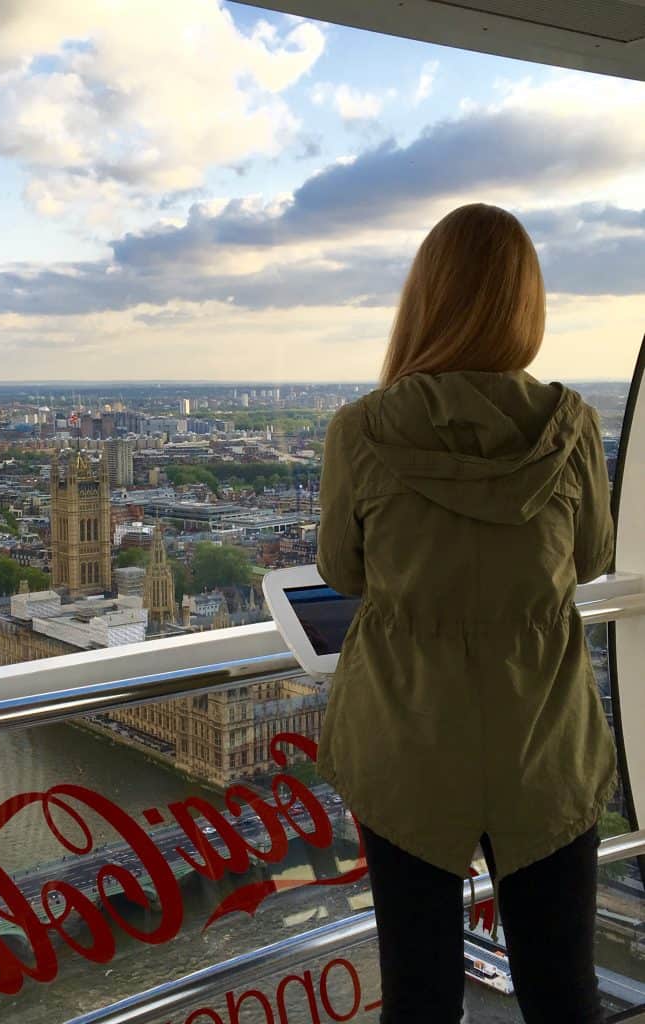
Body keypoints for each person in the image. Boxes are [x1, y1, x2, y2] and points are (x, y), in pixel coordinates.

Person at [314, 203, 616, 1023]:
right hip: (541, 738)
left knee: (418, 994)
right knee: (562, 989)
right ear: (526, 306)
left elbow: (340, 571)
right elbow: (590, 558)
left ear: (424, 302)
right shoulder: (572, 424)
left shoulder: (362, 429)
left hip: (406, 739)